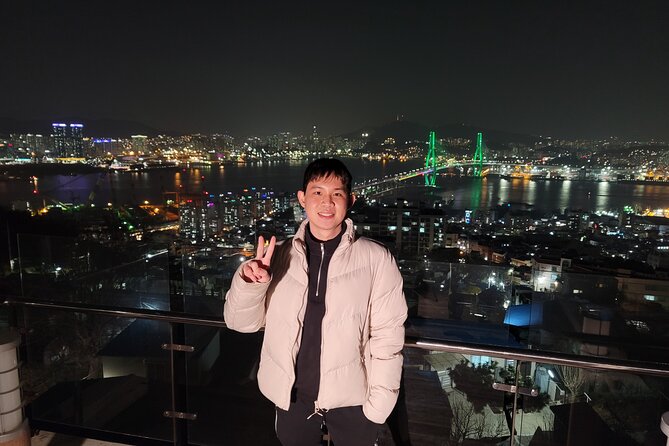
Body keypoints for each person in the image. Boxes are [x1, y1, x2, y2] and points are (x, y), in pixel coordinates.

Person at [224, 158, 407, 446]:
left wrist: (378, 406)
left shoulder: (376, 259)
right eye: (317, 192)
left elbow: (388, 335)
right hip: (292, 396)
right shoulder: (280, 256)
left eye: (337, 193)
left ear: (351, 200)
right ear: (302, 198)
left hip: (353, 399)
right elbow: (240, 324)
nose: (327, 202)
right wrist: (250, 284)